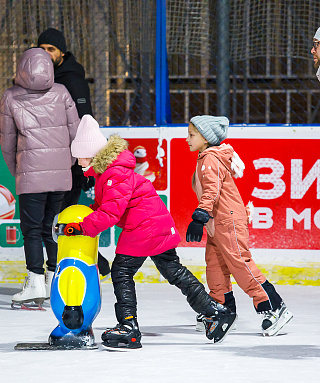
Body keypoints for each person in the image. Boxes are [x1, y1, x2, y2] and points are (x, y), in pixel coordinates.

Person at [62, 114, 236, 349]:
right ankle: (215, 312)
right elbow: (109, 206)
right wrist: (88, 215)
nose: (77, 162)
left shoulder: (113, 174)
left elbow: (112, 212)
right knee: (173, 270)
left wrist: (82, 228)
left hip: (144, 227)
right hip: (155, 224)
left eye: (79, 156)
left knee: (121, 271)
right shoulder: (111, 173)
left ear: (91, 154)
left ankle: (128, 327)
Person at [185, 115, 293, 336]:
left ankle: (273, 307)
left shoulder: (210, 159)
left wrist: (200, 216)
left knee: (240, 264)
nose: (187, 139)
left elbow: (211, 191)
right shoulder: (206, 157)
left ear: (205, 138)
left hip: (228, 220)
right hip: (218, 222)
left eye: (191, 135)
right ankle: (223, 310)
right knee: (215, 266)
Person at [0, 48, 80, 308]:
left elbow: (8, 141)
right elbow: (74, 131)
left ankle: (34, 281)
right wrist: (68, 163)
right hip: (60, 175)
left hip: (31, 173)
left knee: (32, 230)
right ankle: (53, 279)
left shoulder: (10, 96)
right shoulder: (61, 92)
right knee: (51, 229)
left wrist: (17, 169)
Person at [38, 27, 110, 280]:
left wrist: (83, 165)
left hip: (70, 163)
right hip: (51, 159)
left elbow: (85, 121)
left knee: (60, 219)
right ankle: (91, 264)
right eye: (43, 49)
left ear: (62, 53)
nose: (46, 54)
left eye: (51, 50)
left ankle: (82, 267)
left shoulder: (71, 79)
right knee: (56, 219)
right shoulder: (43, 78)